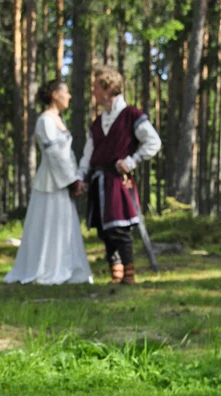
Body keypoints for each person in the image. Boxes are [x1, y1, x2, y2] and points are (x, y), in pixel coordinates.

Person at [77, 67, 161, 284]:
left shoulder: (131, 115)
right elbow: (88, 154)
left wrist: (131, 161)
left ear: (109, 88)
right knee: (105, 231)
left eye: (96, 87)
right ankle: (117, 274)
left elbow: (153, 142)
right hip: (99, 180)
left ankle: (129, 275)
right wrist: (81, 176)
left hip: (117, 181)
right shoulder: (97, 123)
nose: (93, 92)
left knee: (119, 228)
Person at [4, 80, 93, 285]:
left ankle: (66, 267)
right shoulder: (45, 121)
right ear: (55, 94)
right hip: (51, 183)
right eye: (66, 92)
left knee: (63, 226)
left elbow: (66, 154)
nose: (69, 96)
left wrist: (75, 178)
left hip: (63, 181)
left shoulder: (58, 120)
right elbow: (54, 155)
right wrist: (71, 181)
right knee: (48, 226)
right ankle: (45, 269)